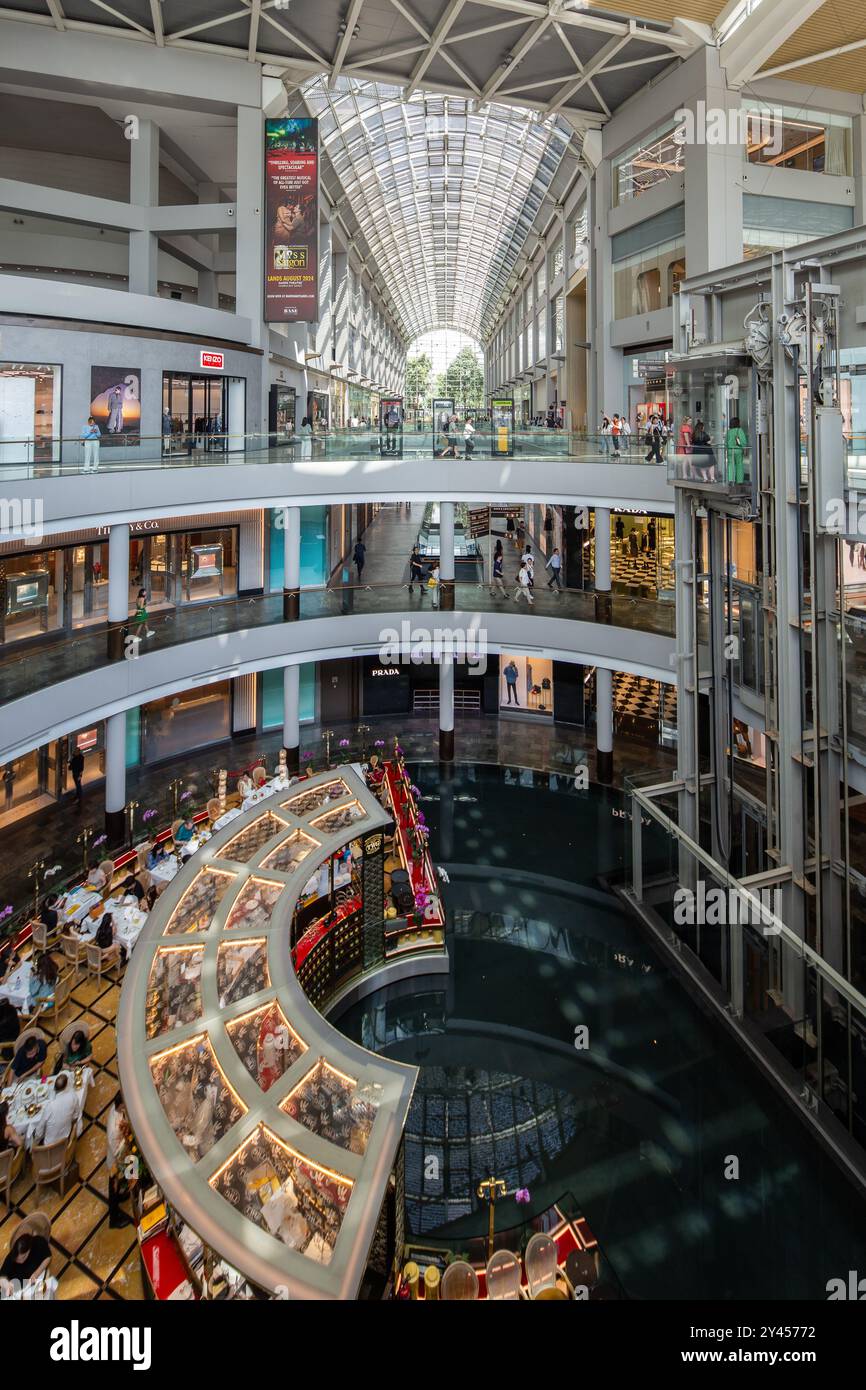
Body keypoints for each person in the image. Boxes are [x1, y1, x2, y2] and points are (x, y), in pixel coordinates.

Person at [106, 1097, 134, 1229]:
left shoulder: (116, 1110)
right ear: (121, 1105)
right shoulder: (114, 1128)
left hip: (123, 1154)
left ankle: (127, 1190)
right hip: (116, 1159)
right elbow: (116, 1148)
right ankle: (114, 1218)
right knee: (114, 1184)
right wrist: (128, 1139)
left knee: (128, 1173)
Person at [34, 1072, 78, 1147]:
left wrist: (35, 1142)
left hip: (49, 1147)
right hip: (65, 1139)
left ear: (54, 1088)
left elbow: (39, 1131)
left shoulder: (50, 1106)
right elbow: (75, 1116)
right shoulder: (73, 1096)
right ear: (66, 1086)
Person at [726, 416, 748, 484]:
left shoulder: (729, 431)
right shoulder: (739, 430)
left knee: (730, 465)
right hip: (738, 450)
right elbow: (744, 441)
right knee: (739, 465)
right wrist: (743, 446)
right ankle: (739, 480)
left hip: (730, 450)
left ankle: (731, 479)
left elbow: (725, 442)